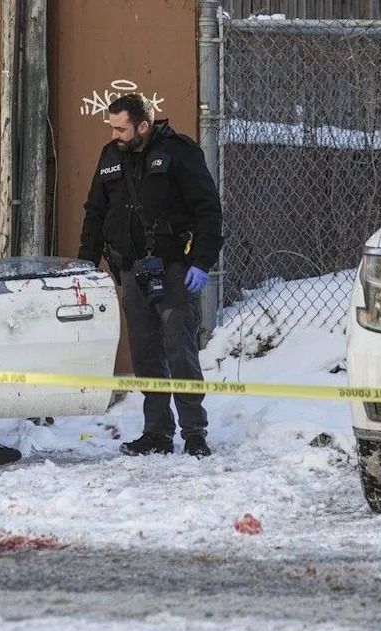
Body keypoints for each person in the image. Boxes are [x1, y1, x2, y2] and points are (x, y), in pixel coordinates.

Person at [78, 93, 223, 458]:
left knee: (181, 354)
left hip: (173, 269)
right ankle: (157, 433)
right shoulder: (111, 157)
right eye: (112, 128)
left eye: (122, 129)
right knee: (145, 356)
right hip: (130, 270)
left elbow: (209, 211)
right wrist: (86, 264)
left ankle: (194, 434)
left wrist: (201, 263)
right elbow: (95, 212)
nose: (115, 136)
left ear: (143, 126)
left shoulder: (179, 152)